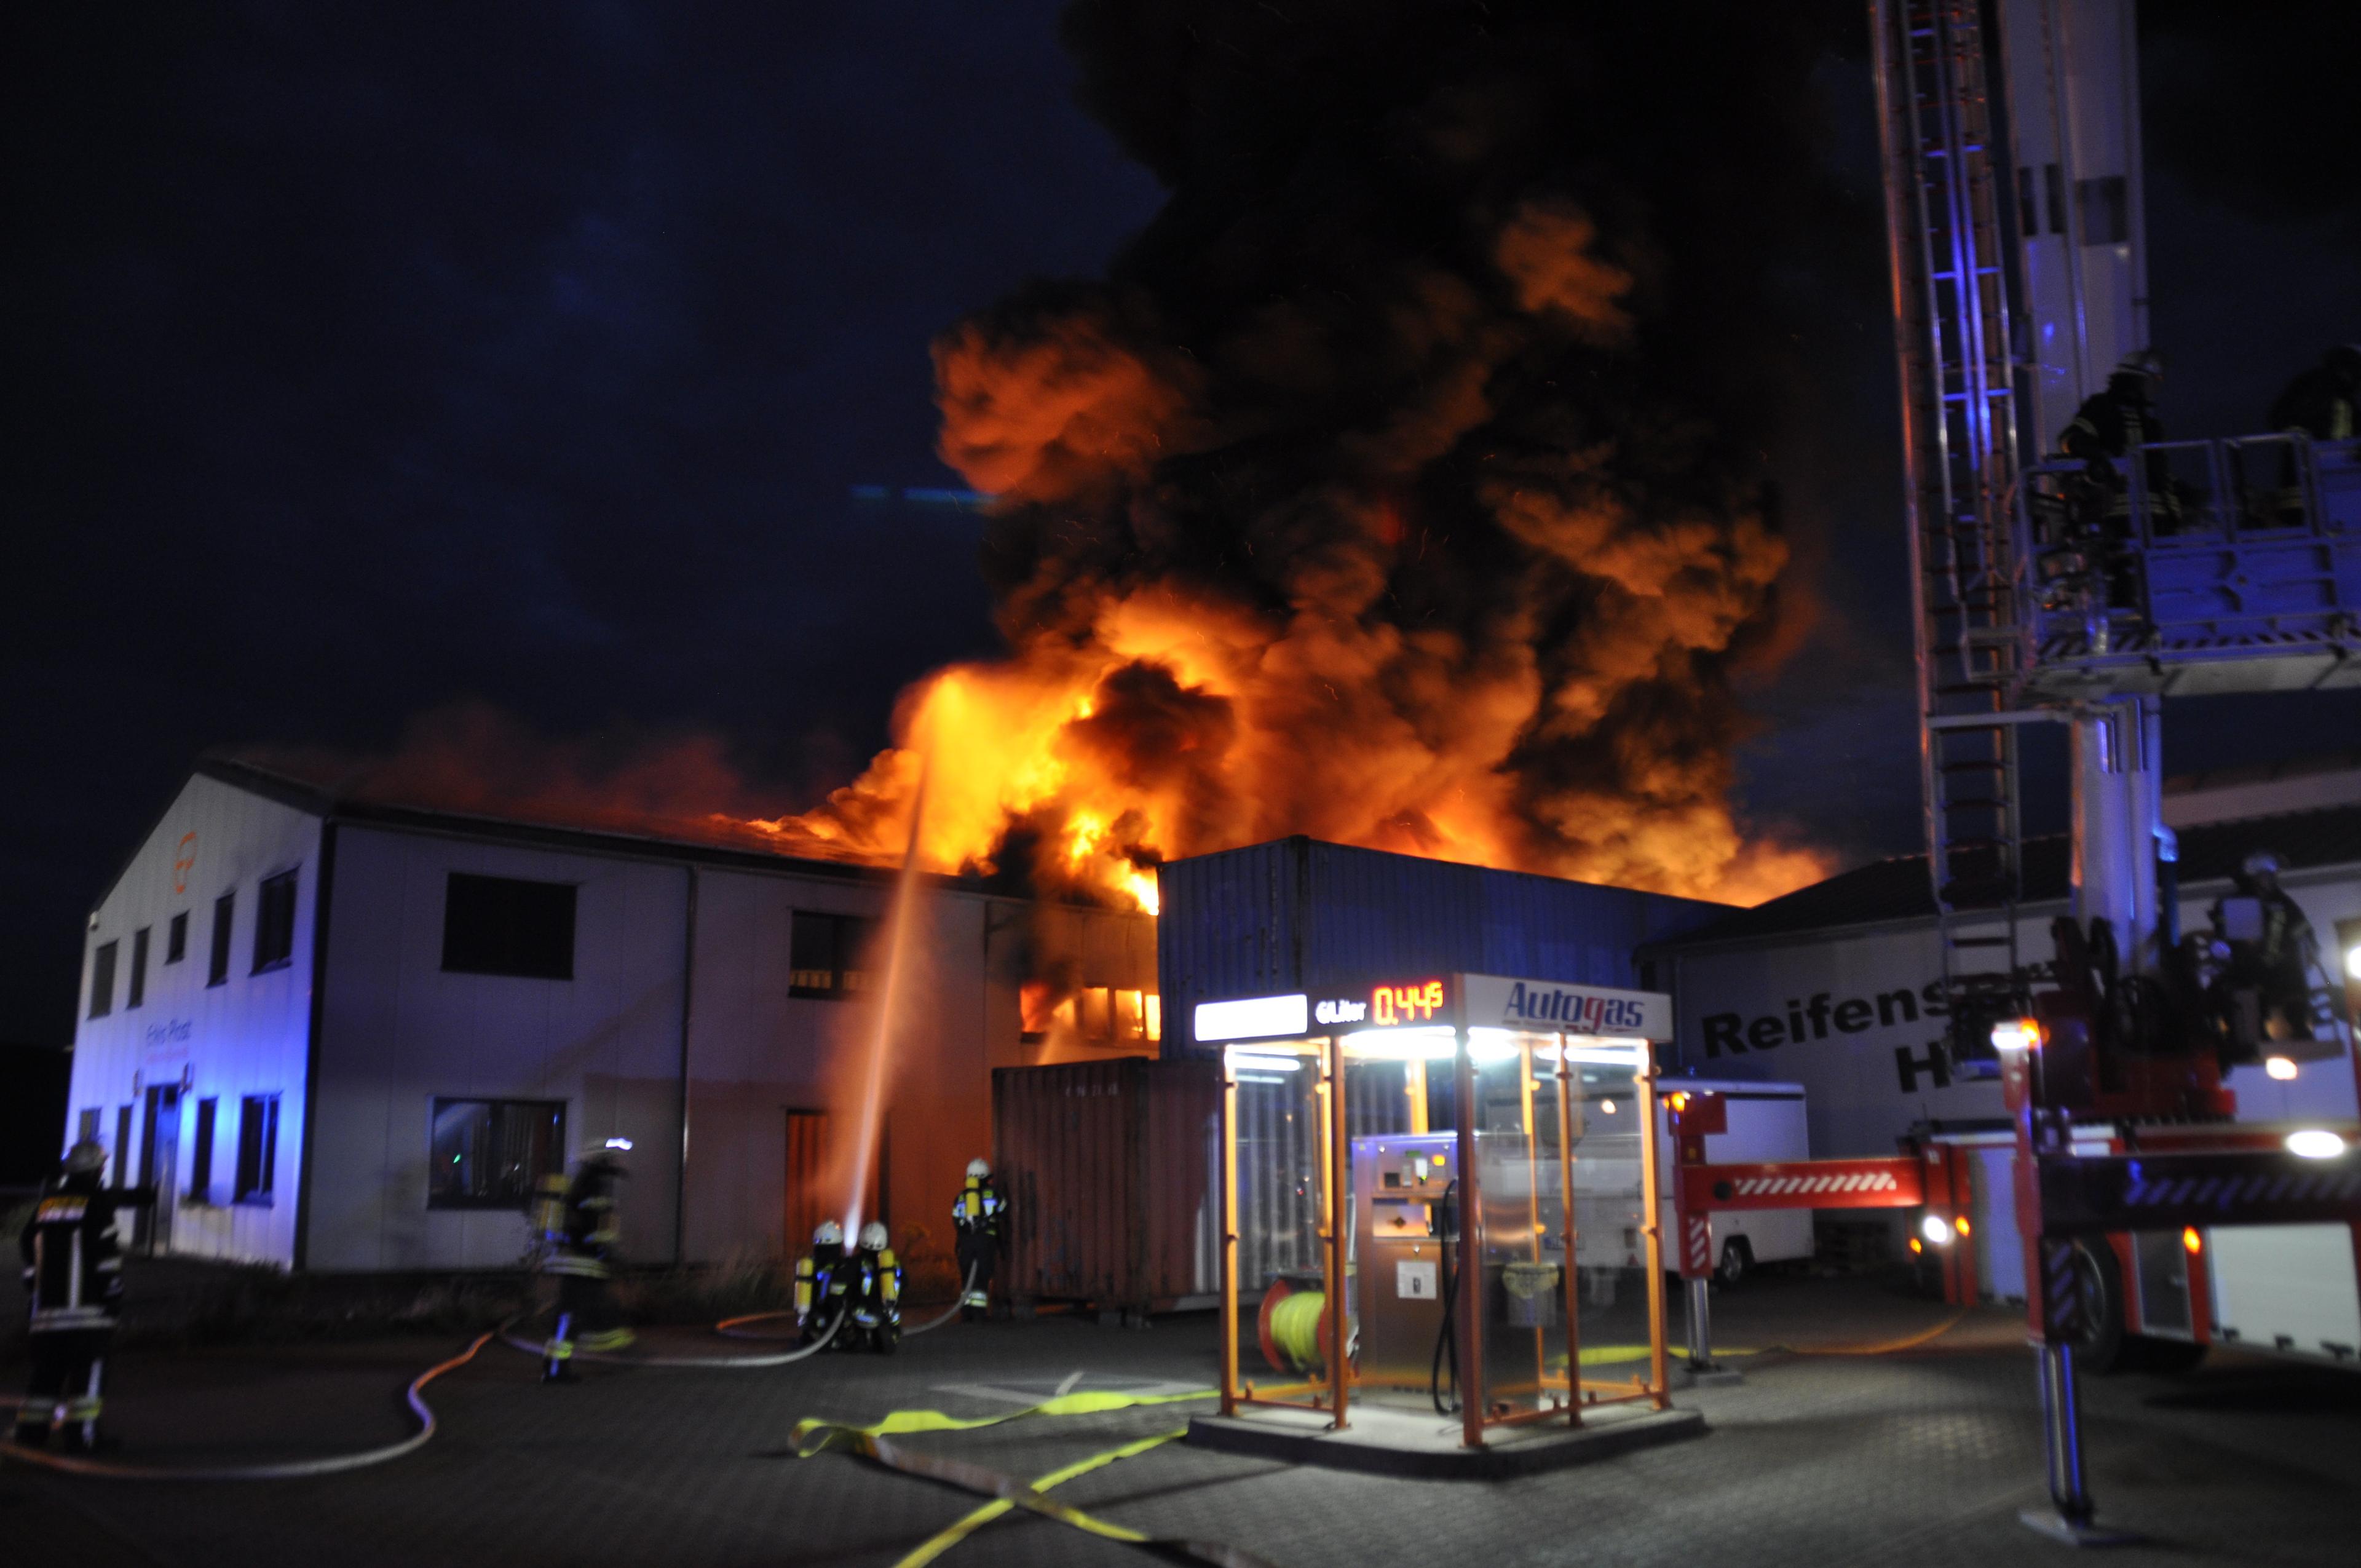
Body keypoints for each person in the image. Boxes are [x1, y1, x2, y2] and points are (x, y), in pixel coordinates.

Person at [13, 1140, 122, 1452]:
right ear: (96, 1170)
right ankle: (82, 1437)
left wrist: (35, 1284)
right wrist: (113, 1296)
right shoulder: (97, 1204)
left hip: (47, 1314)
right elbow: (106, 1258)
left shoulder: (47, 1204)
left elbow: (28, 1245)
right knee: (88, 1377)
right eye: (101, 1166)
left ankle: (30, 1433)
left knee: (45, 1376)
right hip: (88, 1315)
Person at [533, 1139, 635, 1382]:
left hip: (578, 1259)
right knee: (572, 1314)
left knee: (577, 1312)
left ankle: (557, 1366)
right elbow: (593, 1225)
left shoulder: (585, 1181)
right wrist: (604, 1252)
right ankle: (556, 1370)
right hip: (583, 1261)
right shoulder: (593, 1184)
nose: (616, 1163)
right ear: (600, 1160)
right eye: (610, 1158)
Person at [2211, 850, 2321, 1046]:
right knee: (2248, 986)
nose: (2268, 880)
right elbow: (2238, 942)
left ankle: (2300, 1028)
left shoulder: (2283, 902)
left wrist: (2312, 946)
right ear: (2252, 878)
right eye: (2263, 876)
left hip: (2281, 964)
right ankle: (2258, 1031)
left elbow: (2301, 927)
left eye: (2270, 875)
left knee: (2295, 983)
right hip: (2247, 965)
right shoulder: (2238, 902)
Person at [951, 1157, 1010, 1322]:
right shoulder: (994, 1194)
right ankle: (979, 1314)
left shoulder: (961, 1197)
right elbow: (1004, 1212)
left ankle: (966, 1313)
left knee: (967, 1276)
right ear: (986, 1176)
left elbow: (955, 1220)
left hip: (966, 1241)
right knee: (982, 1276)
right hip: (985, 1241)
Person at [2269, 345, 2361, 444]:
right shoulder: (2314, 385)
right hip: (2312, 450)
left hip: (2338, 450)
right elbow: (2278, 416)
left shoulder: (2346, 396)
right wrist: (2298, 434)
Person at [794, 1220, 852, 1347]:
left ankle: (813, 1336)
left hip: (814, 1315)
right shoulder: (843, 1265)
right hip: (835, 1316)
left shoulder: (809, 1265)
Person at [848, 1221, 902, 1353]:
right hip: (889, 1312)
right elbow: (905, 1282)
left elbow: (845, 1284)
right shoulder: (893, 1263)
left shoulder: (856, 1262)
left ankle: (860, 1339)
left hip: (861, 1312)